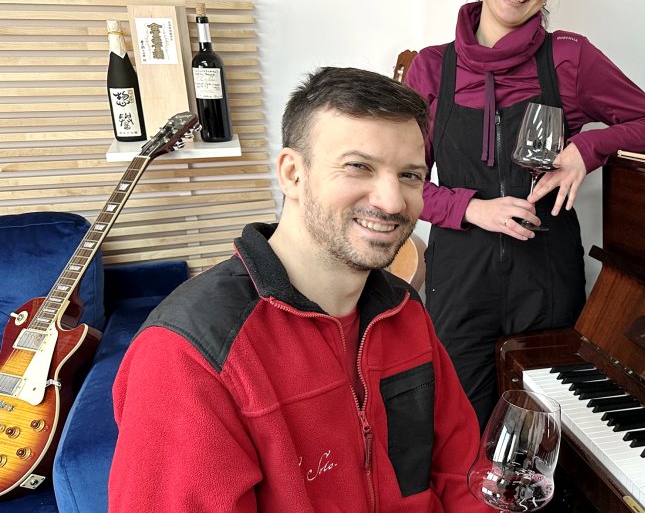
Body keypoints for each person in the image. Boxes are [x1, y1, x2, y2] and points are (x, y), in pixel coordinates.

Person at [109, 67, 488, 512]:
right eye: (358, 166)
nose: (392, 201)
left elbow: (463, 476)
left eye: (409, 176)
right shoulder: (189, 354)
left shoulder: (404, 311)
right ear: (292, 173)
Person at [405, 0, 645, 427]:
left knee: (549, 439)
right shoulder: (431, 67)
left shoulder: (570, 58)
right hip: (461, 284)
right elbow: (402, 182)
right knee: (464, 438)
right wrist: (472, 209)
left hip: (547, 279)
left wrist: (584, 149)